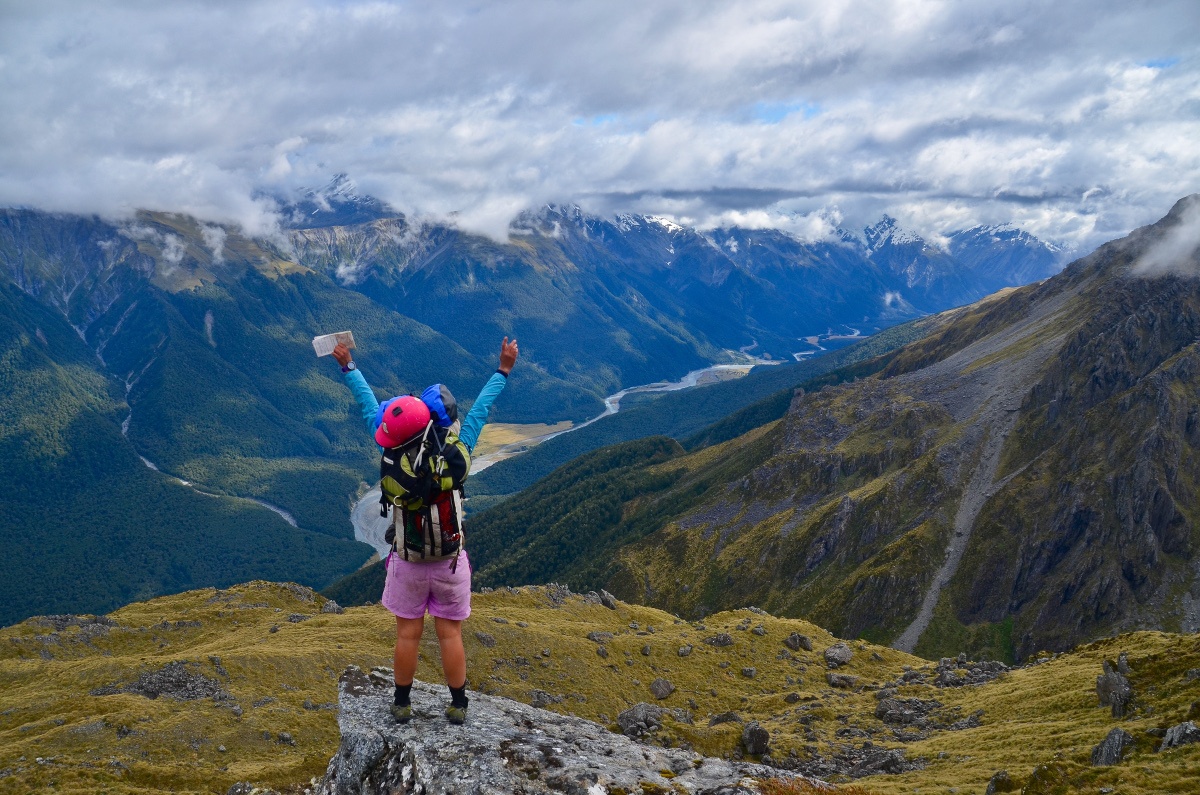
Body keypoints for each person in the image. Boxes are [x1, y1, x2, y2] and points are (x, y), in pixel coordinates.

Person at [332, 336, 519, 725]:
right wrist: (503, 369)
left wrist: (349, 366)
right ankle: (458, 704)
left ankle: (402, 704)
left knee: (407, 636)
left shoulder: (393, 451)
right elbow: (481, 410)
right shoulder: (457, 453)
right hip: (450, 561)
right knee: (450, 635)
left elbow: (369, 408)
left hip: (408, 560)